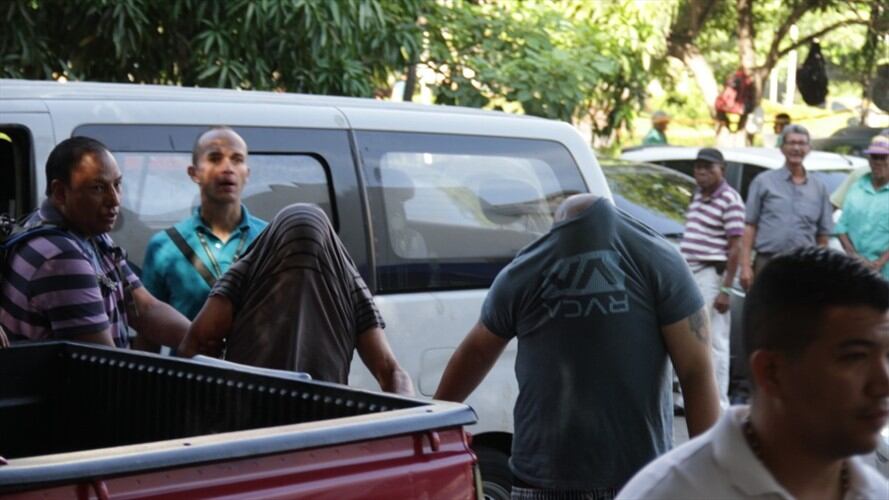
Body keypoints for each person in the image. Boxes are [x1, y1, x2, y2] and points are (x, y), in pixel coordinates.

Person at [434, 194, 721, 498]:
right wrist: (708, 476)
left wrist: (433, 421)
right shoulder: (660, 259)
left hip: (548, 479)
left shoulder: (525, 270)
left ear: (556, 227)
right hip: (636, 480)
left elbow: (476, 352)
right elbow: (696, 371)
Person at [617, 247, 889, 500]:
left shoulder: (874, 491)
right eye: (855, 357)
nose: (883, 383)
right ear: (771, 372)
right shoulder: (670, 492)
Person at [178, 203, 414, 395]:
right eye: (287, 260)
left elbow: (391, 372)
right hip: (249, 416)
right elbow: (196, 346)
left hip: (314, 420)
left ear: (327, 257)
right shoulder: (245, 275)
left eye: (315, 261)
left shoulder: (348, 285)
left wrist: (407, 421)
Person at [0, 137, 189, 348]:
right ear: (60, 193)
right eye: (98, 188)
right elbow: (103, 360)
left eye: (117, 184)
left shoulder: (88, 232)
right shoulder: (61, 257)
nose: (115, 200)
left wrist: (202, 343)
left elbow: (145, 309)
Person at [141, 127, 267, 323]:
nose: (228, 168)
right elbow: (149, 328)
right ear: (194, 173)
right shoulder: (164, 247)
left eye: (237, 159)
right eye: (215, 158)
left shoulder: (269, 238)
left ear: (247, 173)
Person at [679, 148, 745, 408]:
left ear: (722, 170)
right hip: (690, 272)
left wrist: (725, 290)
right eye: (698, 167)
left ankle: (718, 402)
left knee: (713, 339)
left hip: (711, 274)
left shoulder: (730, 199)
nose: (702, 172)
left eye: (709, 167)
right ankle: (687, 397)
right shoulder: (698, 195)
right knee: (689, 335)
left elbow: (736, 247)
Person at [739, 124, 833, 291]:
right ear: (782, 148)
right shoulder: (763, 182)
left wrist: (820, 270)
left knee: (800, 307)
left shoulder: (819, 188)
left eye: (801, 143)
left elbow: (823, 236)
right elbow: (749, 226)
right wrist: (745, 266)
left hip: (805, 266)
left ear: (809, 149)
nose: (796, 148)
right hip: (768, 263)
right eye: (791, 143)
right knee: (765, 307)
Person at [835, 135, 889, 280]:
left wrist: (879, 263)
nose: (878, 162)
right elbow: (841, 226)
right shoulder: (857, 187)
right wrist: (853, 256)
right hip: (856, 271)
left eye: (883, 157)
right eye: (874, 157)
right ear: (869, 160)